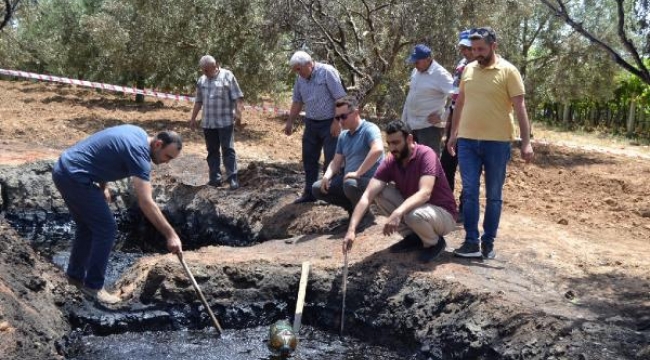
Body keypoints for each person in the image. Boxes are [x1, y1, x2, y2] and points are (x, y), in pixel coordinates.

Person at [51, 125, 183, 304]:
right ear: (158, 144)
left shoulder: (137, 132)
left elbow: (103, 156)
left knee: (87, 227)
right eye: (168, 156)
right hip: (75, 177)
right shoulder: (140, 156)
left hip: (64, 169)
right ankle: (93, 287)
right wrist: (171, 235)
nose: (167, 162)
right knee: (107, 228)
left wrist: (103, 187)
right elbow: (145, 202)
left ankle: (75, 278)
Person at [446, 27, 534, 260]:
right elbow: (460, 103)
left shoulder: (509, 71)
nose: (476, 54)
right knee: (470, 192)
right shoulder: (468, 70)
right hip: (467, 142)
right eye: (473, 49)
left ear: (493, 46)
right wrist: (453, 133)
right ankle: (471, 241)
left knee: (494, 194)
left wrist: (526, 142)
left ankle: (488, 242)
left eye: (481, 49)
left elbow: (520, 108)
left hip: (497, 143)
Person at [342, 120, 458, 263]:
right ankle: (413, 237)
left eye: (396, 143)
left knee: (412, 215)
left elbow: (425, 193)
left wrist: (398, 212)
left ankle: (434, 243)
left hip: (443, 215)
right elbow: (367, 196)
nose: (392, 148)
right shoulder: (391, 160)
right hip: (417, 211)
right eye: (389, 143)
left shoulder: (426, 154)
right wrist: (351, 230)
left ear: (409, 139)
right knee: (380, 192)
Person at [285, 51, 347, 203]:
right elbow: (297, 101)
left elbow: (340, 98)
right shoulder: (299, 79)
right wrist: (290, 121)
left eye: (299, 69)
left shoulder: (327, 72)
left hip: (329, 123)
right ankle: (310, 193)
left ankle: (329, 195)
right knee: (309, 158)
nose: (297, 72)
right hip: (311, 123)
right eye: (295, 70)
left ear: (309, 63)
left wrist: (337, 121)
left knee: (331, 159)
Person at [311, 96, 384, 214]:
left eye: (343, 116)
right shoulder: (343, 136)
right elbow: (335, 162)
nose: (340, 121)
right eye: (337, 117)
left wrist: (357, 173)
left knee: (350, 184)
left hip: (369, 180)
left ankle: (365, 215)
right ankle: (353, 209)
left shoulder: (370, 129)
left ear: (356, 112)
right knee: (317, 188)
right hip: (349, 181)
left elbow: (378, 150)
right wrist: (327, 176)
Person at [190, 55, 244, 190]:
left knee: (228, 150)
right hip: (208, 123)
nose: (205, 73)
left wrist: (239, 114)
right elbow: (198, 101)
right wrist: (193, 119)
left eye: (207, 70)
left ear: (215, 66)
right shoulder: (201, 81)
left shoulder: (227, 76)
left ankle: (232, 178)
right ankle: (215, 179)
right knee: (212, 151)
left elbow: (238, 97)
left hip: (225, 121)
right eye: (203, 70)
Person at [440, 29, 475, 223]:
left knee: (469, 171)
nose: (465, 51)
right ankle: (446, 203)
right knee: (447, 164)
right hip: (456, 120)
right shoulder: (461, 66)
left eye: (468, 48)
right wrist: (449, 130)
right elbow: (454, 101)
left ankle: (465, 208)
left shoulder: (480, 67)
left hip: (472, 124)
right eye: (463, 47)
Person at [402, 44, 454, 157]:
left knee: (428, 164)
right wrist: (404, 120)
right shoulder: (415, 72)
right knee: (410, 162)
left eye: (417, 62)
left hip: (429, 129)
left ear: (428, 59)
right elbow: (411, 96)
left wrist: (442, 118)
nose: (415, 65)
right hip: (411, 126)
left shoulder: (441, 74)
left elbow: (456, 97)